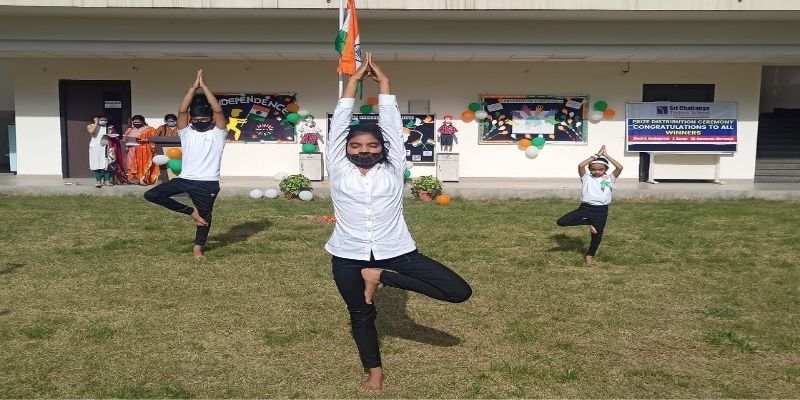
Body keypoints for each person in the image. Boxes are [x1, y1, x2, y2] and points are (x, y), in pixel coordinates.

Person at [326, 53, 472, 391]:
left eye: (372, 144)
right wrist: (352, 82)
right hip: (348, 255)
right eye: (356, 145)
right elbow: (340, 124)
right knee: (361, 314)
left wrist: (385, 84)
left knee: (458, 292)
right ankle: (374, 371)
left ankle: (379, 276)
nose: (364, 150)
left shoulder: (392, 167)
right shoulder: (339, 167)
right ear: (345, 148)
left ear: (383, 147)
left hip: (397, 251)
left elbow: (391, 127)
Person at [143, 70, 227, 261]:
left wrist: (205, 87)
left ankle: (198, 248)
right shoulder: (186, 133)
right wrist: (193, 87)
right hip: (185, 179)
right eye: (196, 120)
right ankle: (191, 212)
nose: (200, 123)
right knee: (151, 195)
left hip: (208, 183)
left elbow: (218, 110)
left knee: (205, 217)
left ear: (211, 120)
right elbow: (182, 111)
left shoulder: (218, 134)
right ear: (191, 121)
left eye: (204, 120)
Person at [556, 145, 623, 264]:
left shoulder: (610, 179)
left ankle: (590, 255)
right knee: (562, 222)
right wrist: (596, 156)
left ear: (605, 169)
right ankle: (588, 222)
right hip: (585, 208)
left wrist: (606, 155)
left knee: (597, 235)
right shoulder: (586, 178)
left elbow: (620, 167)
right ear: (590, 169)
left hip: (601, 211)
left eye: (600, 169)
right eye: (593, 169)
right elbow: (581, 166)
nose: (596, 171)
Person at [85, 115, 118, 188]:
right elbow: (91, 131)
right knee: (96, 163)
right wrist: (96, 123)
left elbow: (115, 136)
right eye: (102, 120)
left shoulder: (109, 127)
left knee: (107, 163)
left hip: (106, 146)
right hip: (95, 147)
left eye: (105, 120)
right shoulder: (91, 126)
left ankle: (107, 180)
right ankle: (98, 181)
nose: (104, 121)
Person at [127, 116, 160, 185]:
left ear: (142, 121)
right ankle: (134, 180)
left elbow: (154, 139)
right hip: (131, 150)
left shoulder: (149, 129)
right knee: (132, 165)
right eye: (135, 122)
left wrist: (144, 140)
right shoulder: (129, 130)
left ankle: (143, 180)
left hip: (144, 150)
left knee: (143, 165)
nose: (136, 123)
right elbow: (124, 139)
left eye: (138, 122)